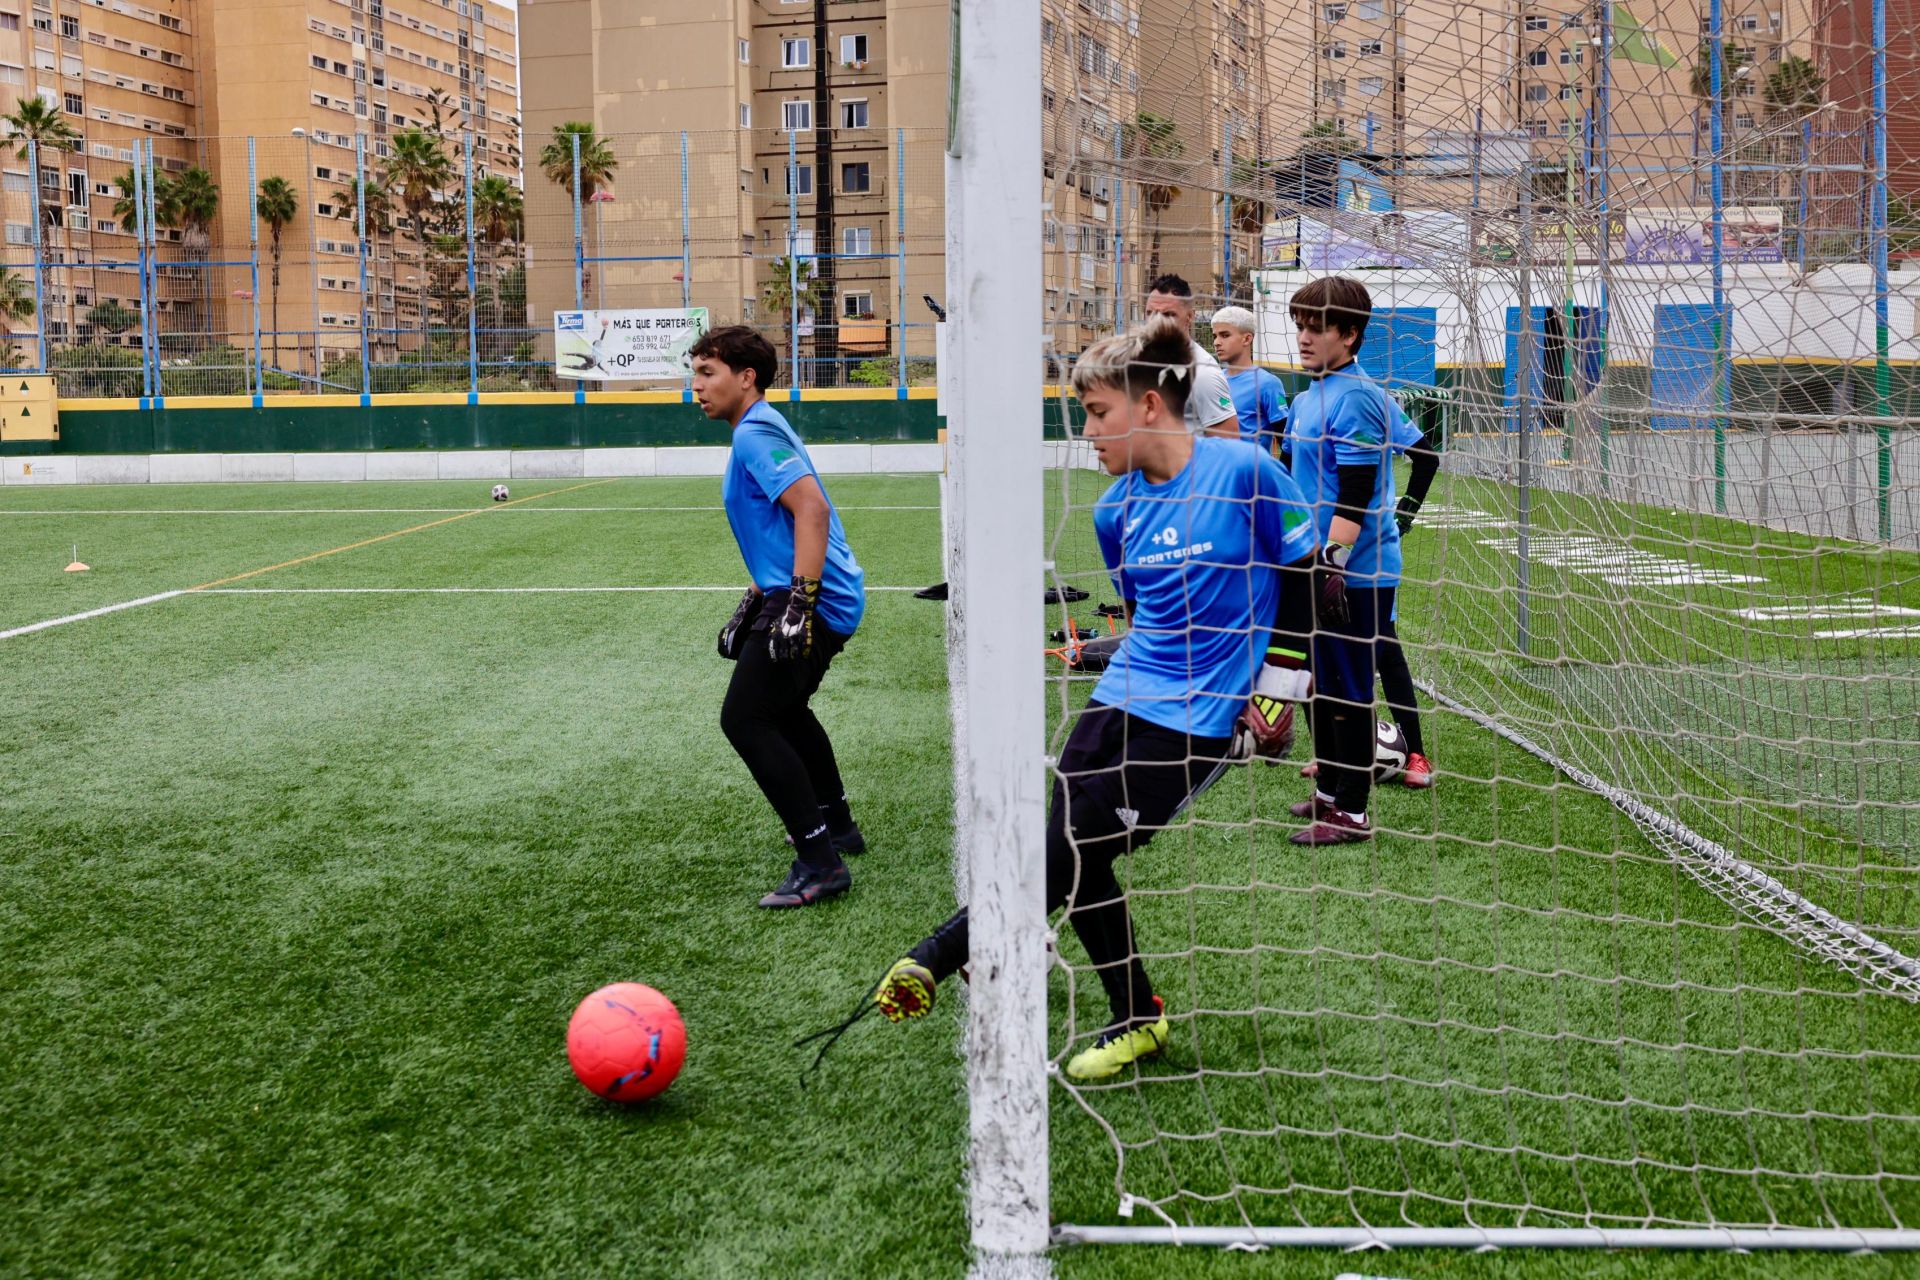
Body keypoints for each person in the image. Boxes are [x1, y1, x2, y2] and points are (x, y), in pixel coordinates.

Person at [867, 315, 1318, 1080]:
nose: (1088, 432)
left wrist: (1276, 697)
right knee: (1075, 855)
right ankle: (1138, 1014)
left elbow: (1308, 586)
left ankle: (942, 953)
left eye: (1098, 413)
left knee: (1072, 849)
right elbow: (1145, 617)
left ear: (1149, 407)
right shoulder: (1115, 511)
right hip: (1119, 699)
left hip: (1199, 721)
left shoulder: (1243, 471)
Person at [693, 325, 868, 909]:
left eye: (707, 373)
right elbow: (776, 529)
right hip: (813, 591)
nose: (697, 386)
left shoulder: (754, 434)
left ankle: (821, 863)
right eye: (695, 373)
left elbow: (811, 509)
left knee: (746, 718)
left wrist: (799, 602)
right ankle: (837, 825)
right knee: (784, 709)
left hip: (822, 596)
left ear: (746, 378)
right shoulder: (755, 428)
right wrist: (755, 599)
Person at [1284, 276, 1404, 844]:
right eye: (1300, 325)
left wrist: (1331, 563)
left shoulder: (1356, 395)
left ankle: (1351, 814)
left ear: (1350, 333)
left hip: (1354, 573)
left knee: (1349, 687)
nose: (1304, 337)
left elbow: (1355, 489)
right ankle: (1330, 791)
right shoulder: (1310, 396)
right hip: (1317, 566)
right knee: (1319, 682)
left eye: (1317, 327)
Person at [1143, 273, 1241, 439]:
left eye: (1168, 315)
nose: (1156, 322)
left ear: (1189, 317)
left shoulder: (1203, 373)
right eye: (1150, 313)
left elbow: (1228, 448)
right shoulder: (1138, 362)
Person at [1210, 304, 1288, 455]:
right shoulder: (1215, 379)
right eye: (1215, 336)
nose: (1216, 342)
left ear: (1246, 339)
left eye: (1225, 335)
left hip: (1251, 475)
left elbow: (1285, 440)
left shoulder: (1267, 383)